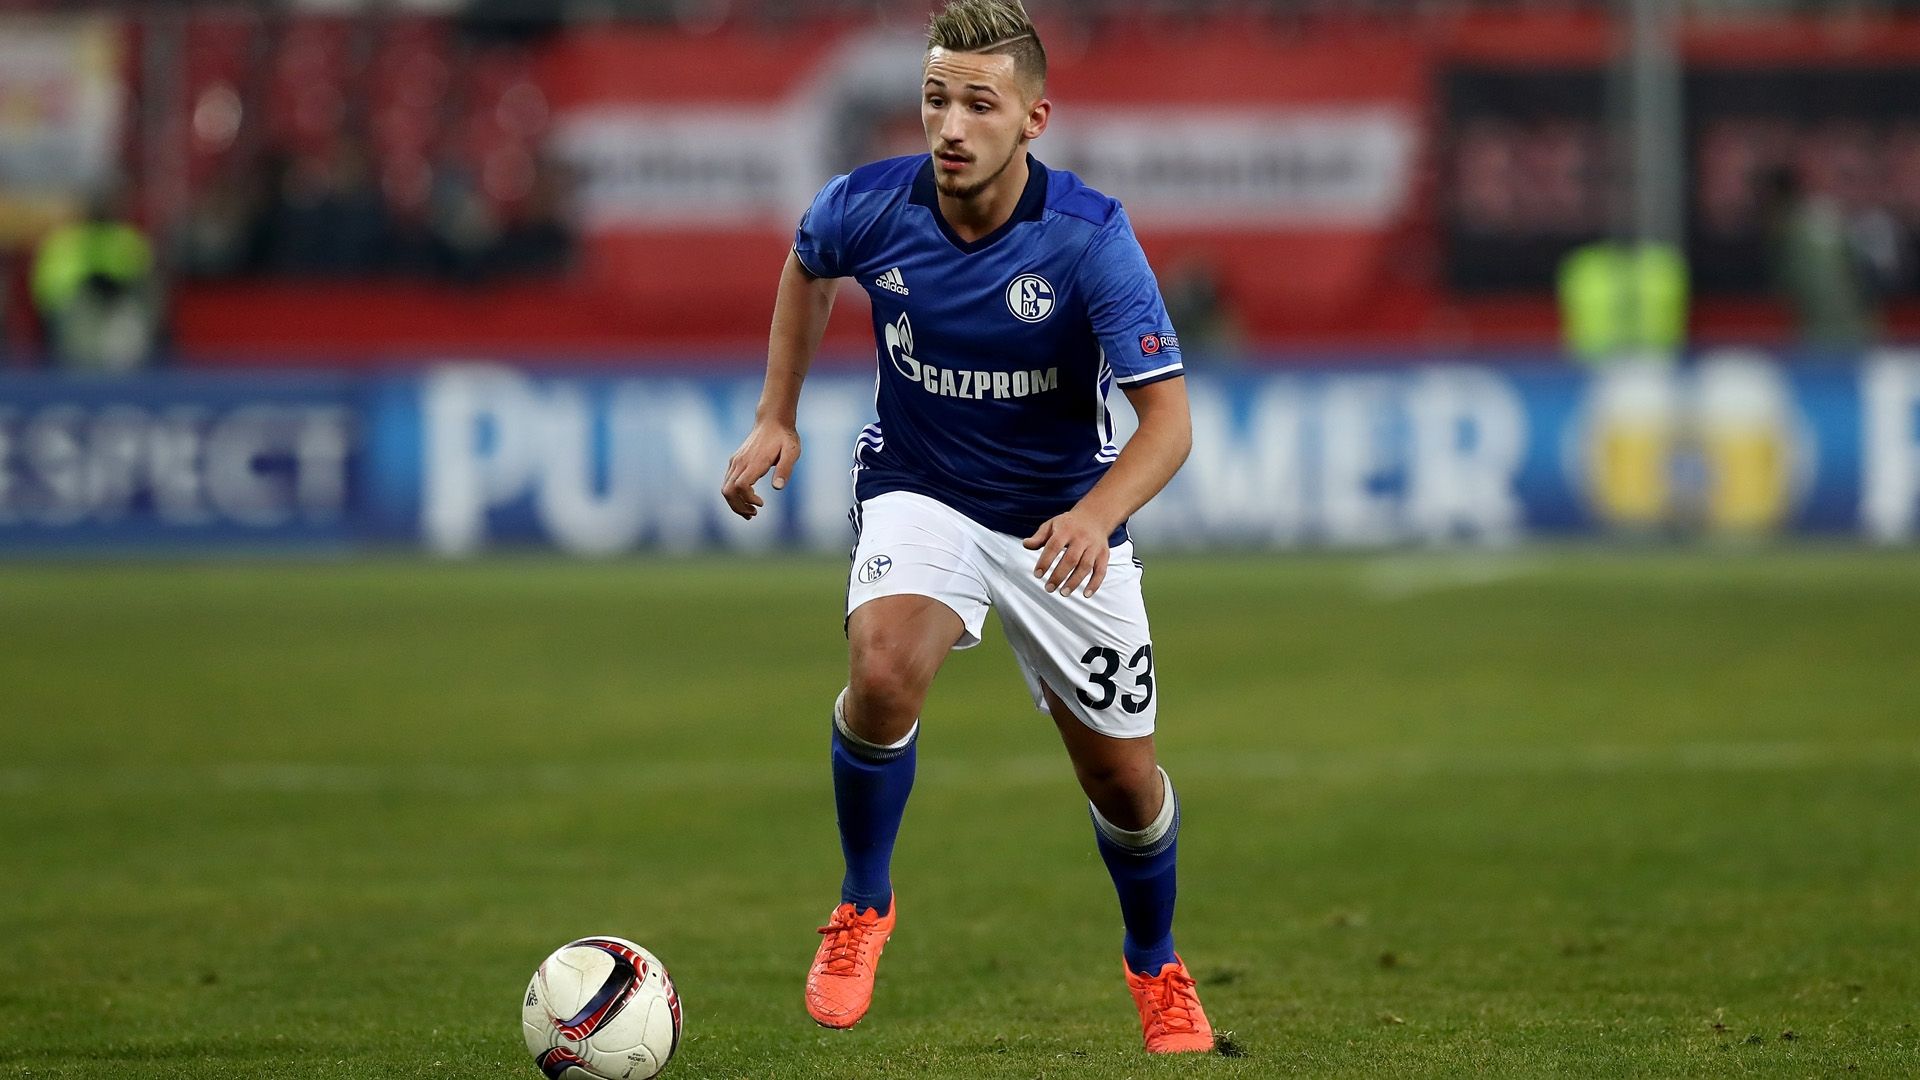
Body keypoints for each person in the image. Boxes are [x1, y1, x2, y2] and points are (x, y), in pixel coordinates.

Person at [720, 0, 1213, 1055]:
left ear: (1035, 119)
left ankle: (1155, 960)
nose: (949, 125)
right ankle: (862, 903)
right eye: (936, 98)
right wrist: (777, 413)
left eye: (977, 104)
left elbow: (1168, 424)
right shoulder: (868, 206)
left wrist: (1095, 513)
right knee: (883, 667)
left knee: (1125, 783)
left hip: (1058, 522)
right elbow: (807, 268)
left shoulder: (1088, 238)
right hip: (921, 482)